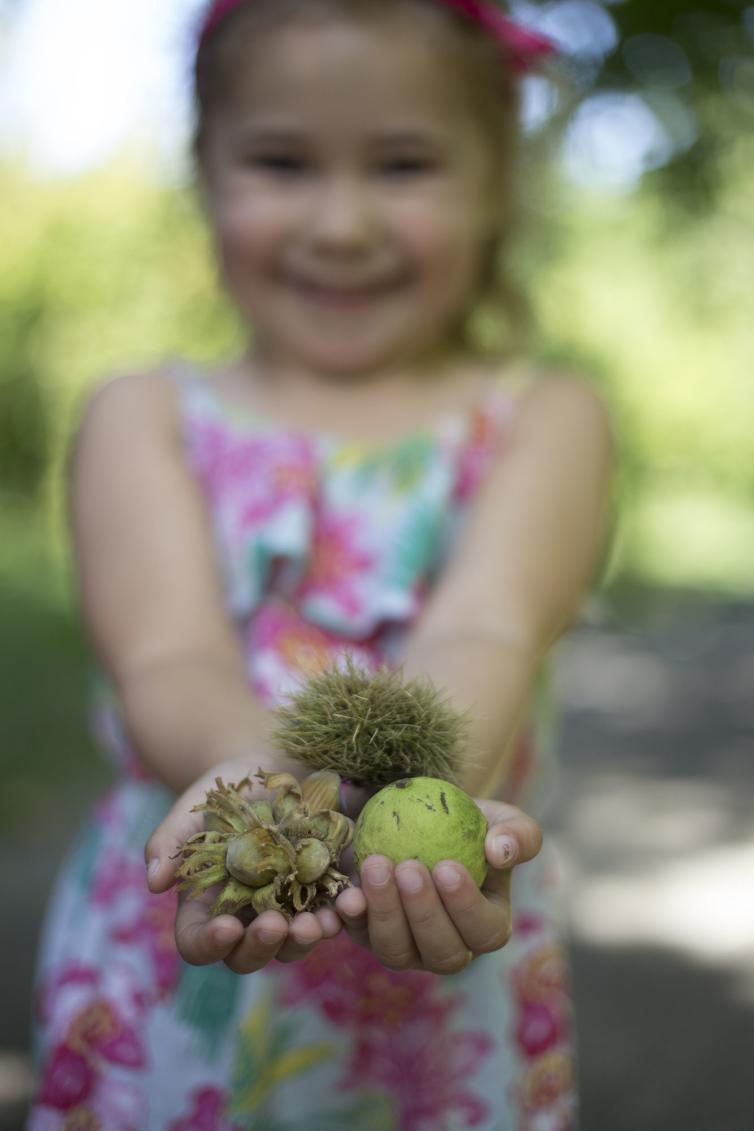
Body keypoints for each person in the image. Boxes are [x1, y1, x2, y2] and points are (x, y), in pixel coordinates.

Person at [28, 1, 614, 1128]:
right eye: (283, 162)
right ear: (205, 174)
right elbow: (166, 655)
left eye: (402, 165)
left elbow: (483, 624)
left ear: (497, 184)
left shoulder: (546, 418)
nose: (341, 224)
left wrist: (420, 801)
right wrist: (261, 793)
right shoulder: (140, 418)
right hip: (173, 985)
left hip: (444, 995)